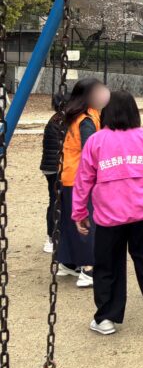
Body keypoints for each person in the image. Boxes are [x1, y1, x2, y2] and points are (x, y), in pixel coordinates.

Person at [72, 90, 143, 334]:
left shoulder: (96, 141)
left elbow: (83, 179)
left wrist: (79, 212)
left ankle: (105, 318)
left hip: (110, 217)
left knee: (107, 264)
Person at [59, 77, 111, 288]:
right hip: (81, 178)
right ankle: (89, 269)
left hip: (68, 175)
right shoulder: (86, 120)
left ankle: (68, 261)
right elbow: (92, 149)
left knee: (70, 222)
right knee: (87, 223)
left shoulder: (74, 115)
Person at [40, 91, 68, 254]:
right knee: (56, 201)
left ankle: (54, 235)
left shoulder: (55, 119)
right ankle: (50, 237)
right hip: (55, 168)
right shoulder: (61, 122)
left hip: (51, 167)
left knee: (56, 200)